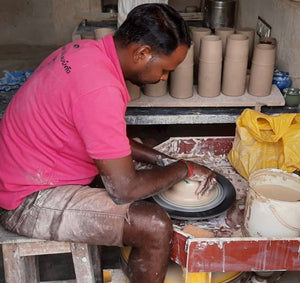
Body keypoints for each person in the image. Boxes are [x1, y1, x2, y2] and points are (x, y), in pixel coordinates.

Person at [0, 4, 216, 283]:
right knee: (154, 225)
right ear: (141, 53)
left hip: (27, 165)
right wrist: (183, 169)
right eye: (165, 69)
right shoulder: (100, 89)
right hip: (24, 199)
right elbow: (124, 189)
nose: (164, 78)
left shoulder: (84, 52)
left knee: (142, 157)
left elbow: (104, 138)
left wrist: (162, 160)